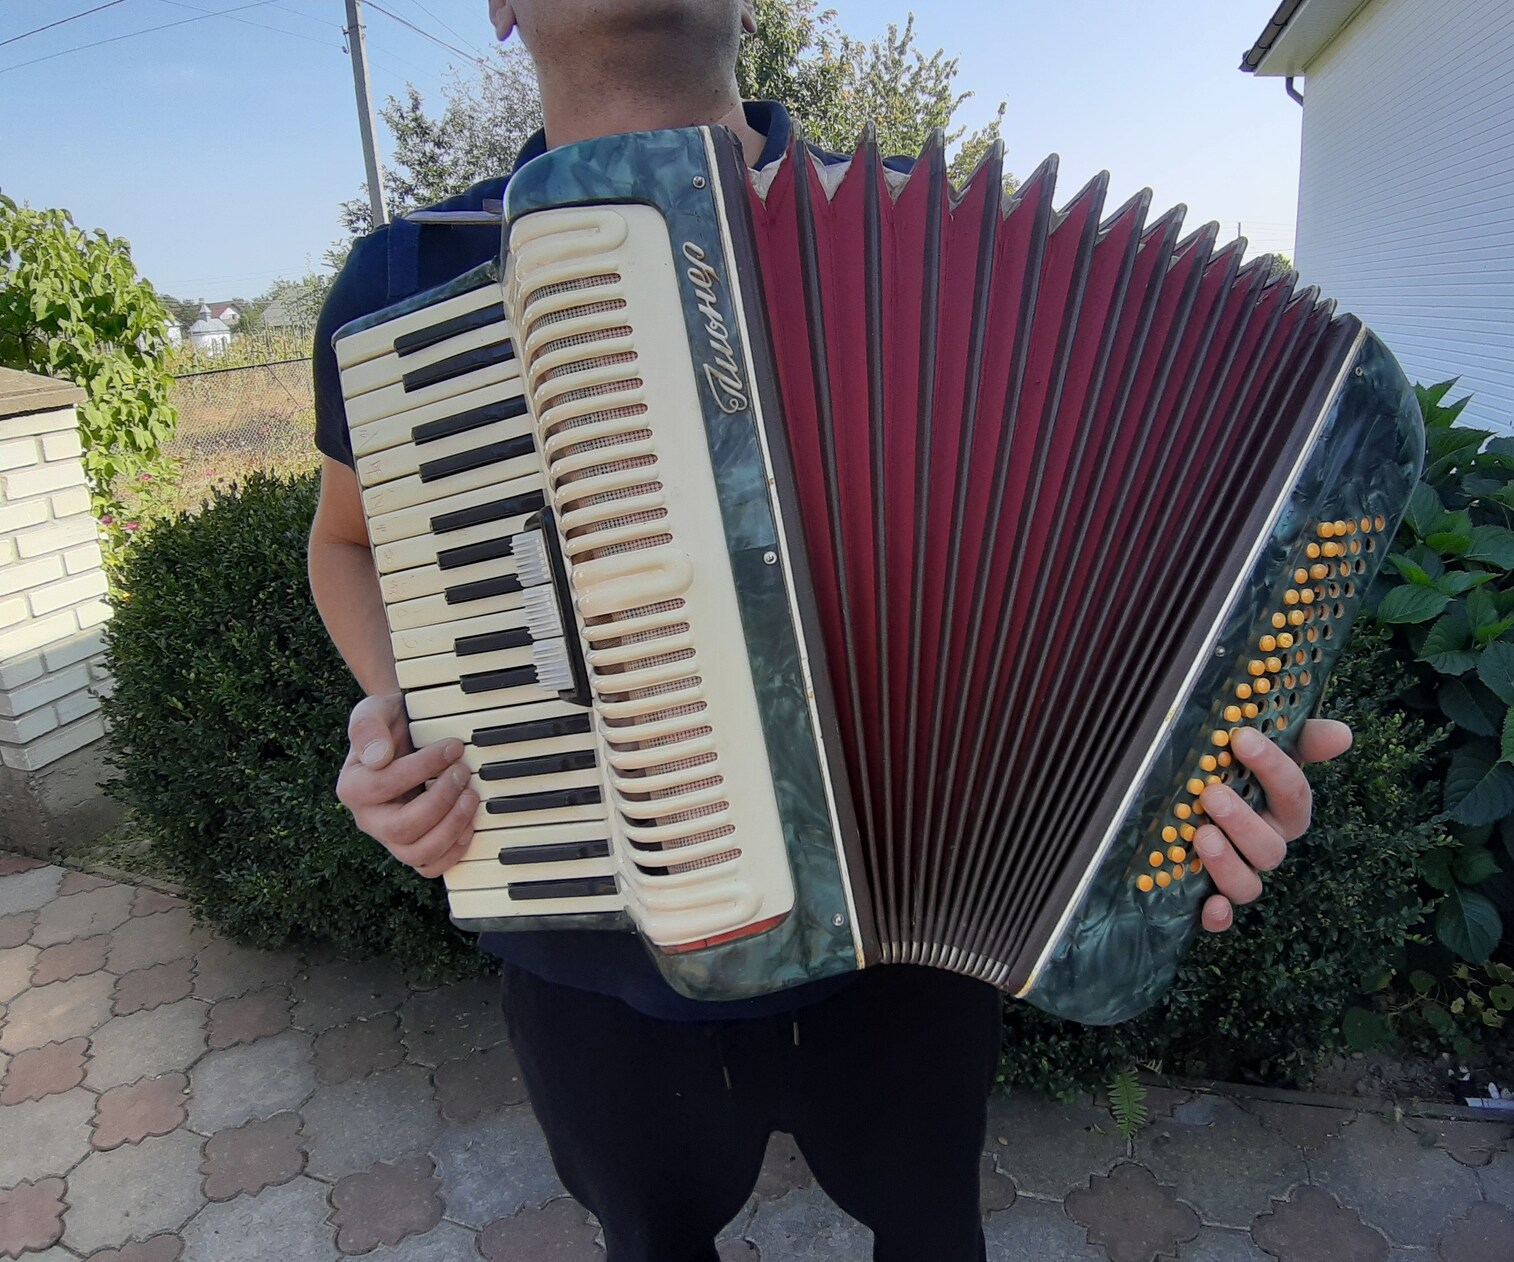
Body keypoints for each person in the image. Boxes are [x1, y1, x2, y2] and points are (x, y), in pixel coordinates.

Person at [308, 3, 1355, 1259]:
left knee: (926, 1226)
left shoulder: (936, 234)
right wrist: (412, 711)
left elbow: (1149, 517)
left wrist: (1206, 769)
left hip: (907, 951)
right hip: (594, 944)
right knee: (648, 1239)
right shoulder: (409, 276)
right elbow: (345, 542)